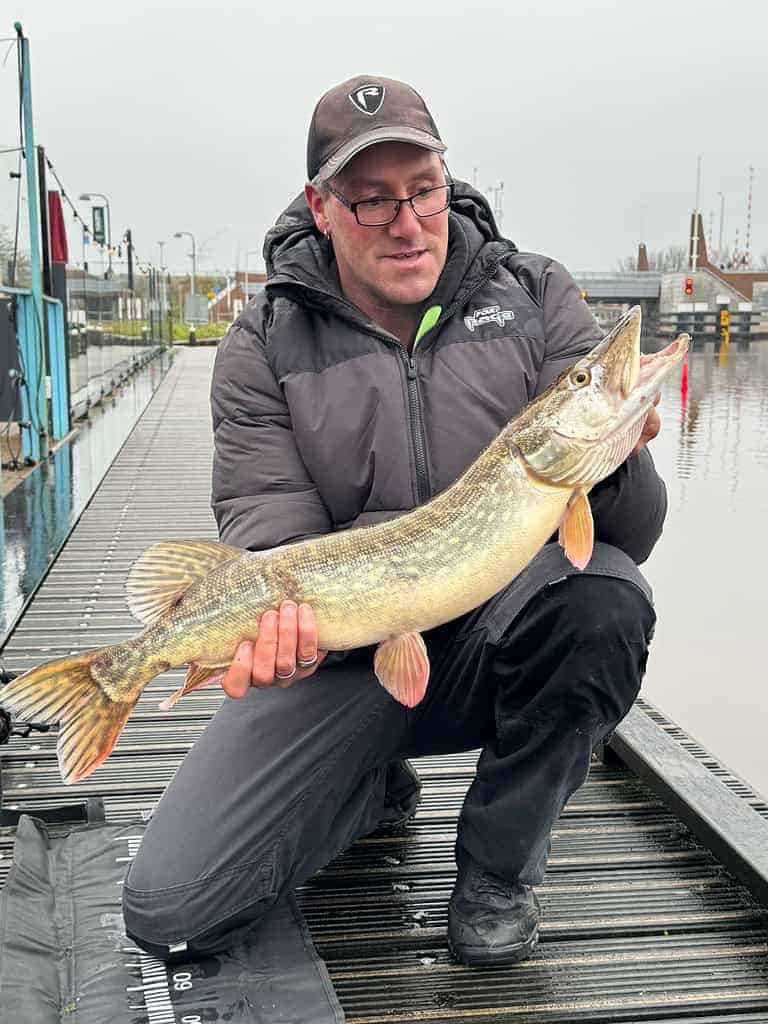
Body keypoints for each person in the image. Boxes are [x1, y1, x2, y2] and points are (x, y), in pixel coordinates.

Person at [123, 75, 663, 967]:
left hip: (494, 638)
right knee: (173, 910)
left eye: (423, 192)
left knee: (605, 597)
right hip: (344, 657)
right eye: (372, 201)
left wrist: (617, 454)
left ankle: (498, 872)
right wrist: (282, 636)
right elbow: (271, 531)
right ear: (321, 207)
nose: (407, 224)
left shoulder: (536, 296)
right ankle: (367, 788)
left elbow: (628, 534)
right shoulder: (263, 342)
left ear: (448, 182)